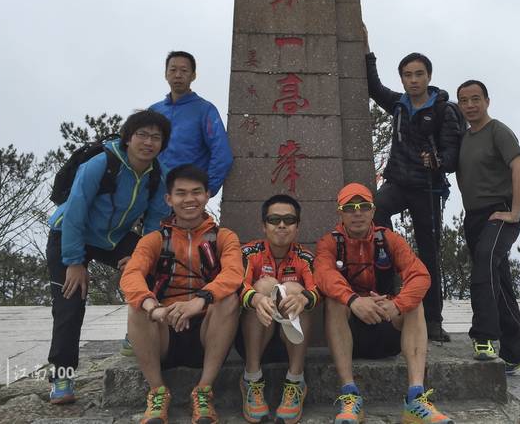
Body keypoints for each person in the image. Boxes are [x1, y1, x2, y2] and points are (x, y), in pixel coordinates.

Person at [46, 110, 172, 404]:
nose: (148, 142)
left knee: (157, 268)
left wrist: (142, 257)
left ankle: (136, 333)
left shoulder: (158, 175)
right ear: (127, 138)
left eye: (156, 137)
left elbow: (154, 224)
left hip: (113, 237)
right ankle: (62, 375)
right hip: (69, 234)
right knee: (69, 303)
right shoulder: (100, 164)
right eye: (142, 135)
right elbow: (75, 212)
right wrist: (74, 262)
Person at [315, 183, 454, 424]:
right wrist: (354, 300)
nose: (357, 213)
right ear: (340, 213)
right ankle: (350, 395)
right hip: (350, 334)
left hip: (387, 325)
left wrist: (397, 305)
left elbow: (420, 275)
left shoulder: (390, 239)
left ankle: (416, 397)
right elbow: (323, 274)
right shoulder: (329, 243)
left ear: (373, 210)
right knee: (334, 303)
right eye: (349, 208)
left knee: (414, 304)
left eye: (363, 206)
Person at [120, 164, 244, 424]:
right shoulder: (154, 239)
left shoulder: (224, 237)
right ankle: (157, 392)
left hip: (207, 331)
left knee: (229, 299)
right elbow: (131, 275)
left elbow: (234, 273)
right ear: (169, 199)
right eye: (181, 193)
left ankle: (204, 391)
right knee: (137, 305)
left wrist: (200, 300)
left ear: (207, 195)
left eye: (196, 192)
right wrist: (154, 308)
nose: (189, 199)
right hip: (165, 329)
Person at [365, 42, 462, 342]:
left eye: (419, 74)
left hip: (427, 188)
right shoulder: (399, 104)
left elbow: (453, 155)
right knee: (376, 217)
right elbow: (373, 87)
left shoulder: (444, 110)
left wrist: (437, 161)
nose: (413, 80)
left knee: (429, 254)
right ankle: (389, 289)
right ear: (402, 79)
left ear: (429, 76)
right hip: (397, 183)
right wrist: (367, 49)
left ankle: (433, 320)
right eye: (407, 75)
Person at [455, 80, 520, 376]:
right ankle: (516, 356)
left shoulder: (498, 131)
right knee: (499, 282)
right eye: (464, 100)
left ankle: (483, 337)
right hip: (473, 218)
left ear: (487, 101)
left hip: (499, 213)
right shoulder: (464, 138)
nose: (470, 105)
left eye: (476, 99)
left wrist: (515, 212)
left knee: (485, 262)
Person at [238, 194, 320, 424]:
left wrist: (303, 299)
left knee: (295, 291)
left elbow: (318, 289)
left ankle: (295, 380)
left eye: (289, 220)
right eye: (274, 220)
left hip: (293, 340)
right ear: (264, 226)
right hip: (254, 338)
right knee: (265, 285)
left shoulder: (305, 257)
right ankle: (251, 378)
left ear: (297, 226)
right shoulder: (249, 253)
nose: (282, 225)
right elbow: (237, 285)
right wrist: (256, 299)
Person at [150, 50, 233, 195]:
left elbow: (222, 154)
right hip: (154, 192)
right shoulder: (154, 111)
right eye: (173, 70)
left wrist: (206, 189)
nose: (178, 75)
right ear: (166, 74)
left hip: (188, 195)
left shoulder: (205, 110)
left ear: (193, 75)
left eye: (184, 70)